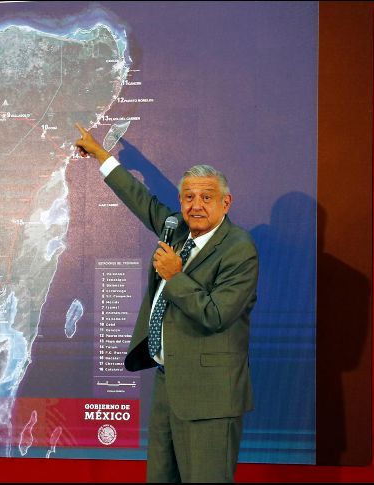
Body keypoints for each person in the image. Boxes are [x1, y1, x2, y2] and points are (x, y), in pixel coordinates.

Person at [75, 123, 258, 483]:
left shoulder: (240, 249)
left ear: (226, 203)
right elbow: (142, 201)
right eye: (188, 197)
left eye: (207, 197)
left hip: (210, 396)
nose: (196, 205)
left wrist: (176, 277)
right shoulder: (175, 228)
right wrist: (101, 156)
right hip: (168, 384)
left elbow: (216, 314)